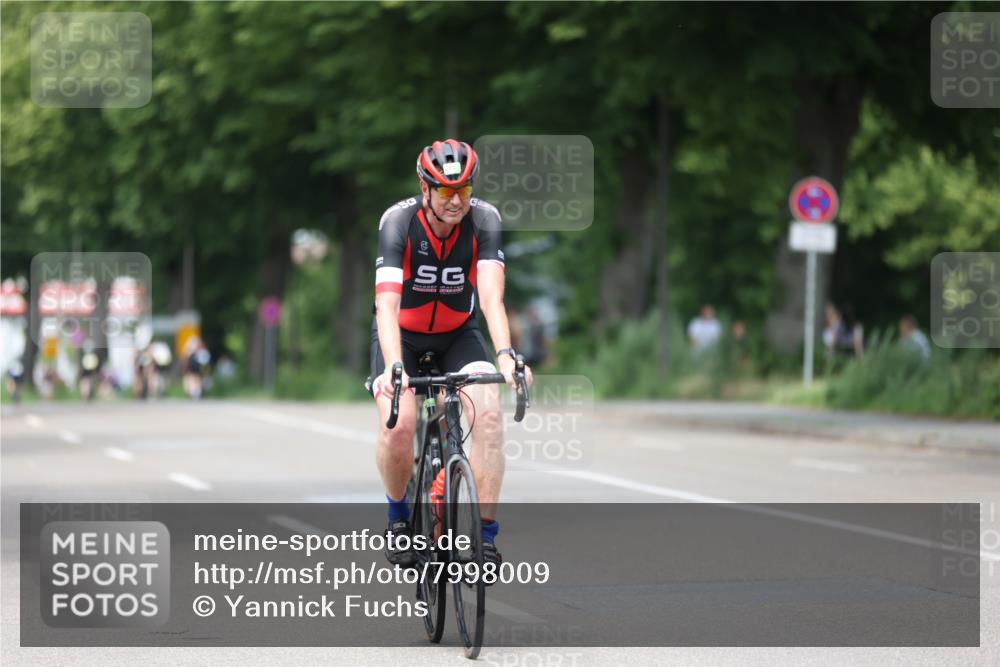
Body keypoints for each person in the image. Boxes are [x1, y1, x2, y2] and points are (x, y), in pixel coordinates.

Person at [368, 139, 532, 569]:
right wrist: (393, 366)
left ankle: (485, 536)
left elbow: (492, 298)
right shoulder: (398, 221)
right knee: (399, 424)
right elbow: (385, 304)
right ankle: (399, 518)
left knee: (490, 416)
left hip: (459, 333)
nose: (456, 200)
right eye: (445, 191)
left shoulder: (485, 220)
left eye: (463, 189)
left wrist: (506, 356)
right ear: (426, 189)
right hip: (401, 335)